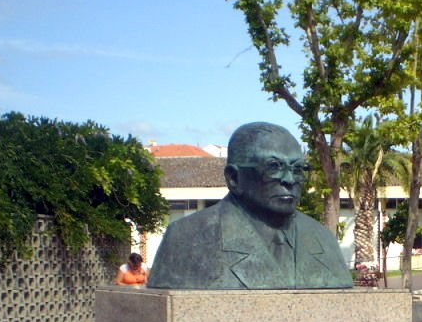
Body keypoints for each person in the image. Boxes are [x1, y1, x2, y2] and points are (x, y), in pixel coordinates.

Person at [147, 122, 352, 290]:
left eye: (297, 169)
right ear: (234, 178)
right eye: (273, 167)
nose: (289, 179)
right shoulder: (187, 239)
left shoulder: (322, 239)